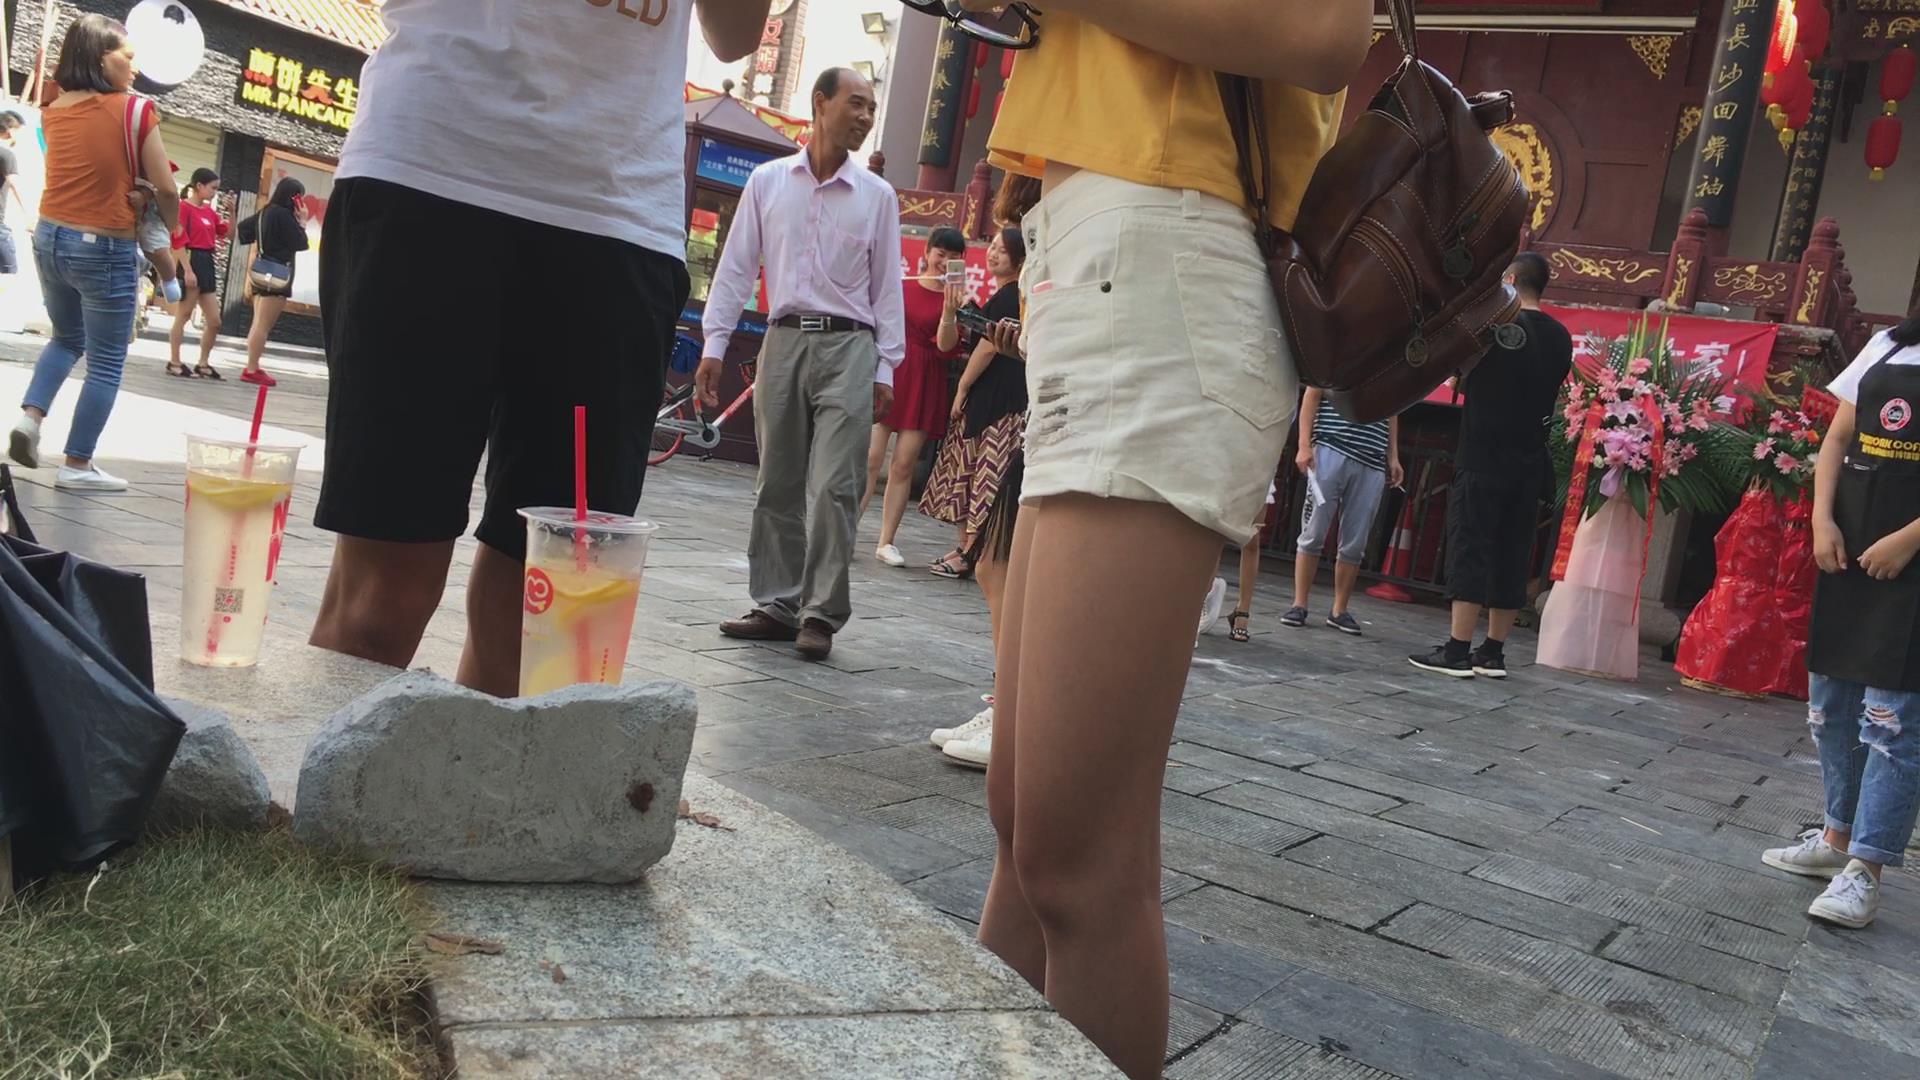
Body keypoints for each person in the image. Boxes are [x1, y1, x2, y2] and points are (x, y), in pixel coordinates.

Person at [962, 2, 1368, 1075]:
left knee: (1072, 853)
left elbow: (1327, 32)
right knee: (1025, 824)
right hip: (1093, 255)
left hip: (1164, 257)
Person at [308, 0, 764, 696]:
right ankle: (332, 767)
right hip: (430, 163)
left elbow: (734, 35)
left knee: (539, 624)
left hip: (615, 210)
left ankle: (481, 774)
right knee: (378, 604)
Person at [698, 67, 902, 663]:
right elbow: (737, 266)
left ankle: (820, 613)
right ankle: (778, 604)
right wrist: (714, 344)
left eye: (871, 108)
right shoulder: (767, 182)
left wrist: (885, 369)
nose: (865, 117)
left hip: (850, 348)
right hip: (783, 342)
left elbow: (886, 289)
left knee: (837, 485)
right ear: (820, 103)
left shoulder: (878, 197)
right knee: (777, 482)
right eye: (856, 103)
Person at [1760, 307, 1920, 929]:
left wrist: (1909, 540)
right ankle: (1835, 838)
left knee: (1893, 722)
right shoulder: (1888, 345)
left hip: (1910, 567)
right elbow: (1837, 439)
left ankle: (1866, 870)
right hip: (1849, 548)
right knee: (1832, 706)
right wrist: (1822, 519)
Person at [7, 14, 179, 493]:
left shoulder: (55, 107)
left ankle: (29, 419)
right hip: (102, 245)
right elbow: (167, 187)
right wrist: (169, 223)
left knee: (65, 339)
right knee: (106, 360)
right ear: (101, 59)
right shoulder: (135, 110)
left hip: (51, 237)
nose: (135, 67)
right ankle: (77, 464)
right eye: (128, 57)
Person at [1410, 251, 1571, 678]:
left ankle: (1457, 649)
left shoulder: (1491, 326)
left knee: (1472, 544)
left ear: (1511, 280)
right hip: (1529, 459)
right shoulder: (1561, 337)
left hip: (1483, 454)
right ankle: (1493, 652)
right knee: (1514, 551)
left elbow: (1458, 376)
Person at [922, 225, 1028, 767]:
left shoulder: (1024, 291)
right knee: (992, 565)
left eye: (1003, 248)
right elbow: (950, 343)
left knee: (999, 564)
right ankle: (1007, 703)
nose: (994, 254)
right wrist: (952, 310)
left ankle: (1015, 711)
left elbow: (988, 350)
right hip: (1028, 421)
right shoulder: (1012, 295)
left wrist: (964, 385)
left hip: (1021, 419)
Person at [862, 225, 965, 568]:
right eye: (940, 254)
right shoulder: (901, 285)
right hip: (892, 370)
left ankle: (886, 541)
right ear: (927, 252)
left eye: (953, 257)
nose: (944, 261)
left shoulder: (957, 301)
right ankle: (845, 529)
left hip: (927, 379)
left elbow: (947, 348)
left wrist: (950, 311)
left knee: (904, 463)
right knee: (870, 457)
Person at [1282, 388, 1402, 634]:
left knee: (1355, 542)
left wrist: (1393, 456)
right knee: (1314, 532)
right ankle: (1300, 603)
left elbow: (1393, 410)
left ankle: (1339, 608)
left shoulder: (1389, 369)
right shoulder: (1340, 363)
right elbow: (1312, 393)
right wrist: (1304, 444)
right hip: (1331, 445)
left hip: (1371, 456)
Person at [235, 177, 307, 388]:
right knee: (263, 325)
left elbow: (242, 231)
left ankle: (252, 365)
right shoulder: (284, 216)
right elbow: (301, 243)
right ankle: (251, 369)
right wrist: (302, 221)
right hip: (278, 275)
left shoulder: (265, 212)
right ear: (294, 197)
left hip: (261, 271)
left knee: (257, 321)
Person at [167, 167, 229, 379]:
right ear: (199, 186)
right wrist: (187, 270)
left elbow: (227, 233)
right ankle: (174, 361)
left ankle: (203, 363)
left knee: (214, 320)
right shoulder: (184, 208)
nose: (214, 192)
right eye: (213, 188)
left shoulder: (210, 212)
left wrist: (232, 211)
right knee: (183, 315)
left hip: (207, 261)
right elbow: (178, 241)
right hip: (191, 259)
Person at [0, 112, 31, 281]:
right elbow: (15, 185)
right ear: (10, 132)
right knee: (9, 276)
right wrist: (29, 217)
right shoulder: (6, 155)